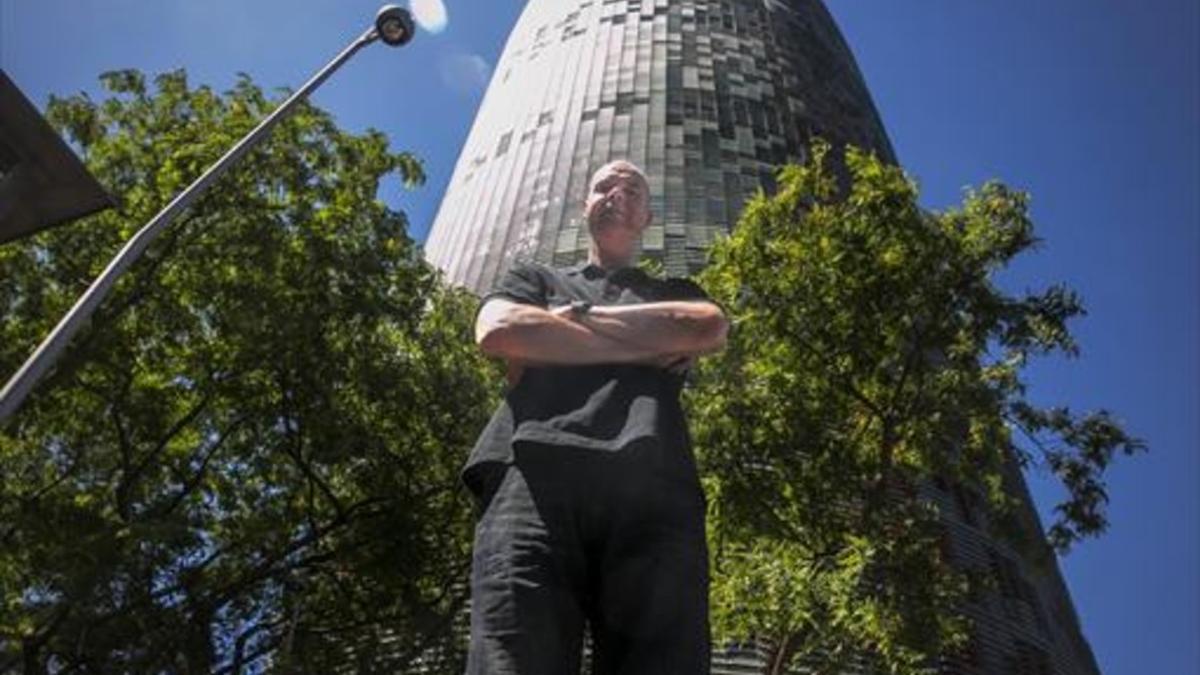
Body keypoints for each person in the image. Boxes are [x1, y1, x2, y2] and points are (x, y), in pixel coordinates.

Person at [463, 160, 729, 674]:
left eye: (632, 189)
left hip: (655, 484)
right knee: (510, 660)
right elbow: (497, 331)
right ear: (584, 205)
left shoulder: (673, 289)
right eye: (604, 186)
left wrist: (567, 328)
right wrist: (645, 344)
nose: (617, 195)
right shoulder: (534, 278)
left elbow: (707, 328)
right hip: (530, 476)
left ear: (647, 218)